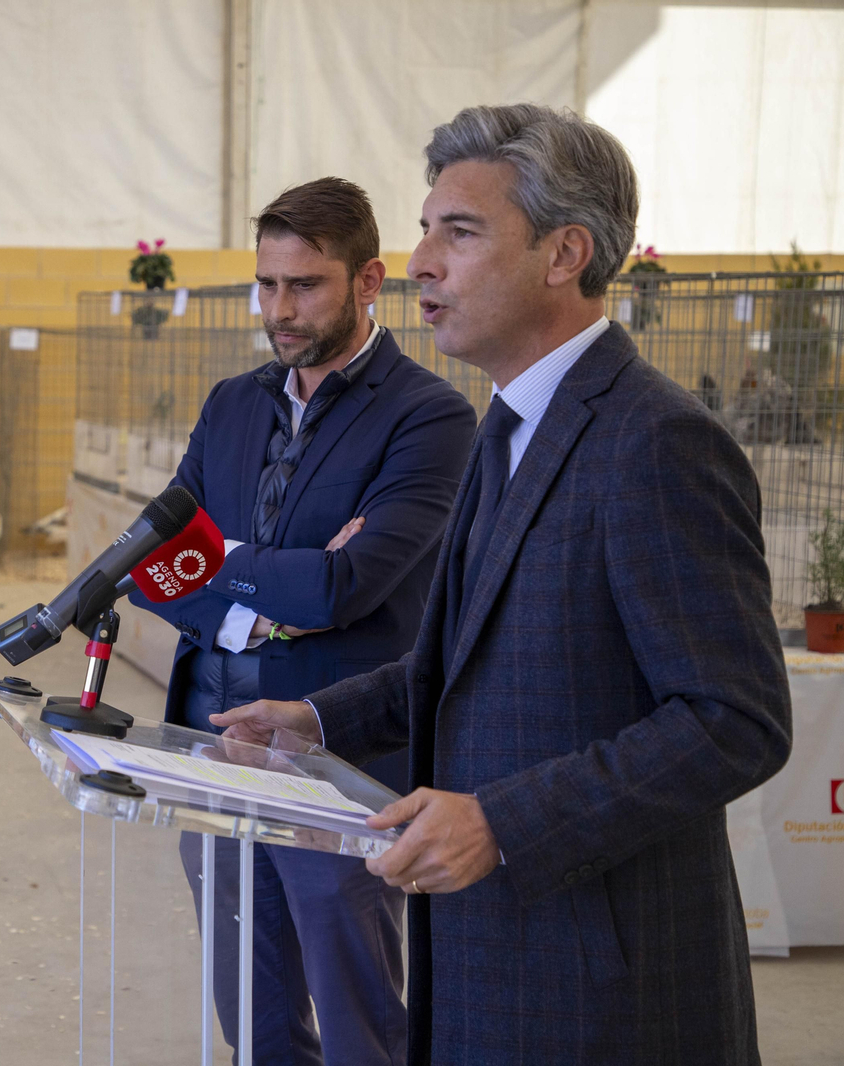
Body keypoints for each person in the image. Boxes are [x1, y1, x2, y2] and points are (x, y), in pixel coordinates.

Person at [212, 105, 792, 1065]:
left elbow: (736, 719)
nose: (419, 261)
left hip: (600, 978)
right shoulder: (509, 428)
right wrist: (315, 721)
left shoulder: (653, 441)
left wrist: (503, 822)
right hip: (491, 947)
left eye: (461, 231)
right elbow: (460, 663)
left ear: (565, 252)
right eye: (427, 226)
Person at [130, 177, 475, 1066]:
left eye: (305, 286)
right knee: (248, 998)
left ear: (369, 281)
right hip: (211, 740)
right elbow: (154, 569)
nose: (279, 310)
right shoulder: (233, 404)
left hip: (335, 757)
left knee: (354, 995)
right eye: (267, 284)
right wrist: (268, 598)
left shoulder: (429, 416)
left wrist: (228, 560)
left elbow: (344, 591)